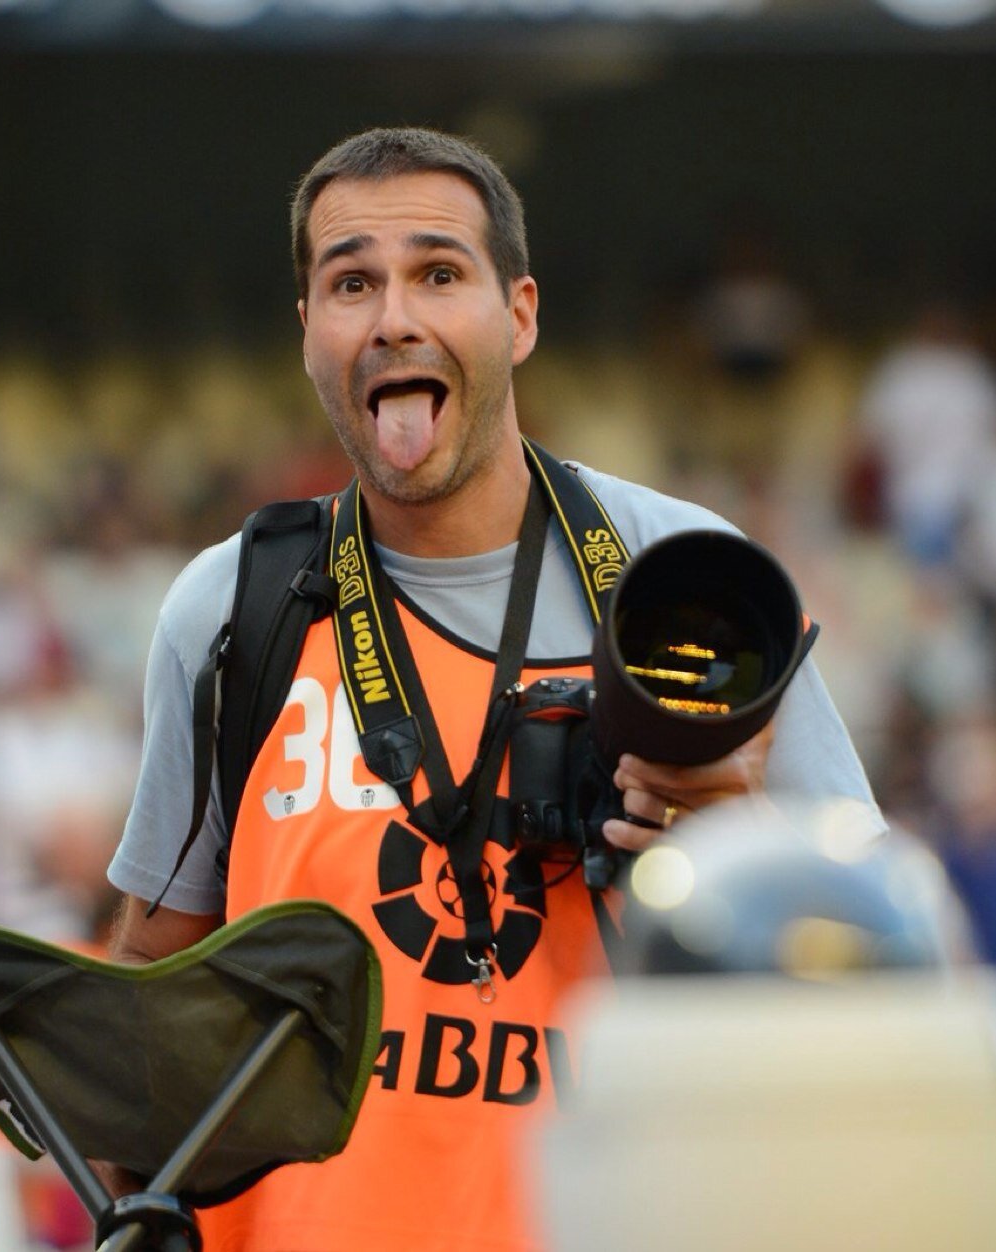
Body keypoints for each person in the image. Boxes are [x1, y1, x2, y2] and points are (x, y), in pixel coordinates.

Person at [107, 127, 879, 1252]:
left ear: (518, 314)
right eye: (351, 283)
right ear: (309, 333)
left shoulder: (685, 582)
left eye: (437, 272)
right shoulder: (234, 610)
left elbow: (873, 972)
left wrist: (738, 845)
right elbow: (149, 975)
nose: (393, 319)